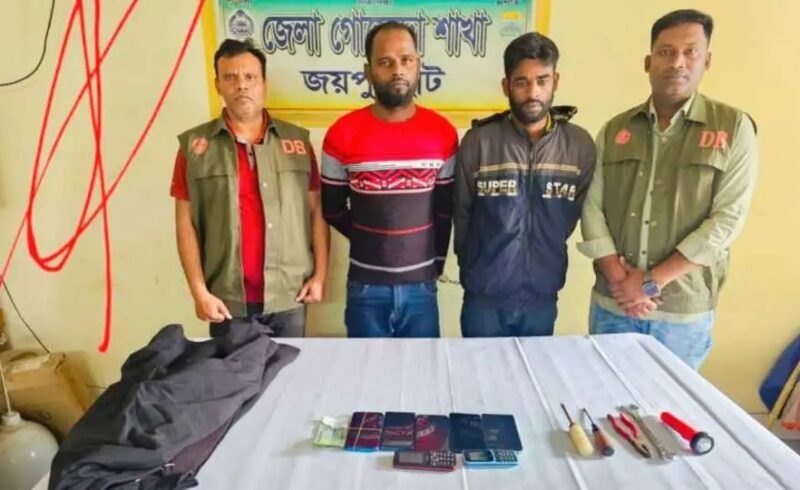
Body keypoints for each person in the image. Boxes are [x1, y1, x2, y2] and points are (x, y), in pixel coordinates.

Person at [578, 9, 759, 369]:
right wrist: (619, 279)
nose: (677, 62)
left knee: (669, 404)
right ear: (648, 62)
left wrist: (650, 282)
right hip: (613, 305)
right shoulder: (615, 130)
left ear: (706, 60)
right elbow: (591, 206)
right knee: (603, 398)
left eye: (690, 52)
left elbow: (728, 219)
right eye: (665, 52)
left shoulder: (733, 128)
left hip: (682, 316)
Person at [171, 38, 329, 337]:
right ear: (218, 85)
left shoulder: (296, 142)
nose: (241, 85)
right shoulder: (195, 148)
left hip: (290, 296)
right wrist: (199, 292)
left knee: (292, 368)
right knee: (233, 370)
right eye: (230, 77)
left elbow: (316, 213)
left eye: (250, 77)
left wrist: (320, 276)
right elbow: (185, 224)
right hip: (227, 301)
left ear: (264, 84)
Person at [454, 32, 596, 337]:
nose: (533, 92)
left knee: (533, 368)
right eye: (522, 82)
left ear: (555, 81)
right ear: (506, 86)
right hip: (483, 298)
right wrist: (478, 269)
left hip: (542, 296)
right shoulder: (479, 142)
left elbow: (572, 216)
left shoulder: (579, 146)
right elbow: (462, 215)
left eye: (542, 80)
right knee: (478, 368)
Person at [321, 22, 458, 337]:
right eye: (385, 62)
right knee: (368, 369)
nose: (398, 70)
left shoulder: (443, 133)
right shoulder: (341, 134)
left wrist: (434, 264)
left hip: (422, 288)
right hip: (365, 288)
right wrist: (375, 242)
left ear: (418, 65)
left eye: (406, 60)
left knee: (424, 367)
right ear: (368, 72)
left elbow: (444, 211)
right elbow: (332, 209)